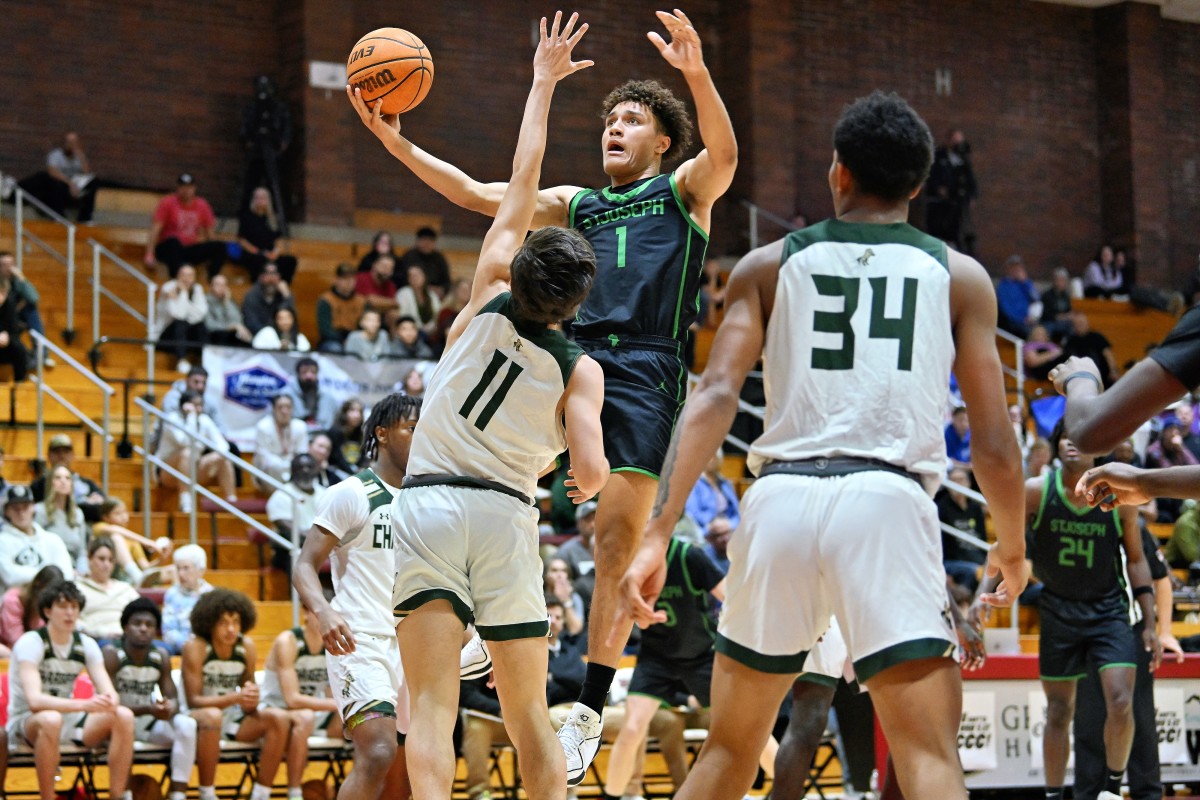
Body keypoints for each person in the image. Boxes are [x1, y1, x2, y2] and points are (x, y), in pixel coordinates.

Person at [350, 11, 737, 779]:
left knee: (614, 537)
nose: (616, 129)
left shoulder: (684, 190)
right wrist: (398, 145)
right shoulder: (578, 202)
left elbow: (724, 152)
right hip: (577, 356)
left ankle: (589, 706)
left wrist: (695, 72)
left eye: (633, 120)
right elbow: (479, 192)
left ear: (663, 140)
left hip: (646, 366)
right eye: (611, 120)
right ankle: (479, 620)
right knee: (504, 484)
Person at [617, 90, 1029, 800]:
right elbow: (992, 441)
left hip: (778, 502)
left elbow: (714, 397)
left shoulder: (766, 264)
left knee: (727, 753)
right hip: (887, 500)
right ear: (921, 185)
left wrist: (658, 531)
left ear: (838, 173)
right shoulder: (960, 277)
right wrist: (1013, 547)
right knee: (929, 758)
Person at [384, 17, 605, 800]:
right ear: (578, 301)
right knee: (529, 716)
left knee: (435, 708)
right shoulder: (581, 372)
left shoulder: (483, 295)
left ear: (518, 266)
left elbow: (521, 175)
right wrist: (585, 478)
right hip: (507, 516)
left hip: (431, 505)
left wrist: (541, 80)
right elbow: (589, 471)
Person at [977, 428, 1158, 800]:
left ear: (1100, 448)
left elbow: (1137, 560)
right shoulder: (1036, 491)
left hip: (1108, 610)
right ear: (1057, 444)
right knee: (1059, 711)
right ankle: (1054, 795)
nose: (1073, 443)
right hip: (1059, 609)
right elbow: (1003, 549)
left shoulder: (1119, 497)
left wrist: (1151, 622)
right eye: (1066, 436)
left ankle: (1111, 787)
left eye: (1085, 436)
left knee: (1121, 700)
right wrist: (984, 595)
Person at [293, 394, 436, 800]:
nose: (420, 436)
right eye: (411, 428)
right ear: (382, 434)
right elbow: (304, 565)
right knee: (377, 752)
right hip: (360, 642)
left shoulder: (427, 498)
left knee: (404, 773)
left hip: (412, 646)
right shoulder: (352, 493)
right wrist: (322, 611)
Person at [604, 536, 728, 798]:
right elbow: (624, 611)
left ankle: (787, 789)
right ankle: (611, 796)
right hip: (656, 657)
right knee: (632, 729)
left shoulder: (689, 556)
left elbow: (730, 597)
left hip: (701, 655)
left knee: (738, 728)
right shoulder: (631, 559)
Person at [6, 580, 135, 800]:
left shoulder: (86, 644)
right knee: (50, 719)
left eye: (74, 607)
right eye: (63, 607)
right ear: (47, 611)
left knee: (123, 715)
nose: (70, 613)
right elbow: (35, 701)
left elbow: (109, 692)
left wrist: (108, 700)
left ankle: (119, 795)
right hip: (26, 723)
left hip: (67, 719)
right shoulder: (31, 643)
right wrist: (85, 704)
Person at [1072, 527, 1176, 800]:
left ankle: (1147, 794)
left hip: (1132, 631)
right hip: (1086, 632)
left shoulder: (1132, 525)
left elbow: (1161, 579)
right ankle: (1091, 795)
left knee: (1140, 718)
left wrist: (1163, 631)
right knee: (1088, 719)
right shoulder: (1071, 524)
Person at [183, 588, 289, 800]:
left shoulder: (246, 647)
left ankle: (261, 793)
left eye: (236, 622)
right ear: (209, 623)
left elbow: (247, 700)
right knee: (213, 715)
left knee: (279, 718)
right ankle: (207, 793)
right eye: (223, 622)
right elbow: (193, 700)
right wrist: (234, 698)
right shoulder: (196, 647)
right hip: (198, 720)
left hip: (232, 718)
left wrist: (251, 698)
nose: (231, 629)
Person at [104, 597, 198, 800]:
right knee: (123, 720)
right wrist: (148, 708)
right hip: (115, 726)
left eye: (149, 625)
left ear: (156, 630)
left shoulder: (160, 656)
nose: (143, 629)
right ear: (125, 627)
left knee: (187, 724)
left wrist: (168, 707)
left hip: (147, 723)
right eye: (137, 624)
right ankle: (125, 794)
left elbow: (172, 697)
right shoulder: (112, 654)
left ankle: (178, 794)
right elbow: (109, 705)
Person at [258, 611, 341, 800]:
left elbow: (330, 692)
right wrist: (338, 704)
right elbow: (292, 699)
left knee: (360, 718)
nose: (327, 619)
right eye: (320, 613)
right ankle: (294, 794)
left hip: (310, 712)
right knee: (306, 716)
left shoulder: (331, 644)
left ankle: (353, 788)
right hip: (275, 710)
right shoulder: (288, 641)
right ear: (306, 614)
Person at [155, 389, 237, 513]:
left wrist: (217, 456)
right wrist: (191, 416)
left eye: (200, 405)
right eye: (195, 405)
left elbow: (223, 445)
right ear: (184, 405)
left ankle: (232, 502)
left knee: (223, 459)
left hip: (193, 468)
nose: (198, 409)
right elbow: (185, 442)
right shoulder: (172, 419)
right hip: (167, 471)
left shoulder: (204, 420)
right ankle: (185, 501)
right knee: (187, 453)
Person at [144, 174, 227, 279]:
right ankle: (176, 280)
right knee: (173, 242)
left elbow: (210, 234)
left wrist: (210, 252)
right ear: (178, 188)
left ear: (194, 188)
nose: (186, 190)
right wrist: (149, 254)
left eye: (189, 187)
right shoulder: (167, 202)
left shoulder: (202, 205)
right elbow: (155, 230)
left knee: (220, 246)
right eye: (183, 187)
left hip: (189, 248)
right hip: (168, 248)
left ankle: (213, 280)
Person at [240, 75, 293, 234]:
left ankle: (281, 227)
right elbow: (245, 131)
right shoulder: (252, 108)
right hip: (256, 154)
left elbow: (286, 133)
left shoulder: (279, 108)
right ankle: (244, 224)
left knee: (276, 188)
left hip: (273, 154)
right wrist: (249, 141)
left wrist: (280, 145)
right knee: (249, 188)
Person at [0, 486, 74, 592]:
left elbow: (66, 574)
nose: (21, 512)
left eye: (25, 507)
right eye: (15, 508)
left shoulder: (52, 539)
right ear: (7, 511)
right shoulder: (2, 541)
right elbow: (10, 577)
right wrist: (48, 575)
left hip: (51, 598)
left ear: (33, 508)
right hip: (17, 601)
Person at [17, 132, 98, 223]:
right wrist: (70, 184)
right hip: (62, 184)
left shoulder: (79, 156)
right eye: (69, 142)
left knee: (93, 184)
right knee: (54, 183)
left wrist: (80, 155)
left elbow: (86, 172)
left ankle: (85, 218)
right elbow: (52, 171)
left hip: (76, 185)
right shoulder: (56, 155)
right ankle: (58, 215)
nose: (71, 145)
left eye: (73, 142)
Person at [266, 454, 325, 572]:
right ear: (293, 471)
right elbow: (287, 528)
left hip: (323, 544)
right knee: (295, 551)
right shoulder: (282, 494)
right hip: (291, 548)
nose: (305, 470)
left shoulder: (325, 493)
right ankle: (296, 591)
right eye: (301, 467)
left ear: (316, 469)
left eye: (309, 467)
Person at [76, 537, 140, 642]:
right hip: (94, 639)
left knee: (162, 650)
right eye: (101, 559)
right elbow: (73, 620)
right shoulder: (78, 588)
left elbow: (142, 613)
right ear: (90, 560)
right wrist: (98, 633)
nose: (106, 565)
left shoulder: (125, 589)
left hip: (128, 639)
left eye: (111, 560)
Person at [925, 128, 978, 254]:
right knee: (938, 231)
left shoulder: (963, 159)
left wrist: (972, 196)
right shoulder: (938, 157)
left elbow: (970, 179)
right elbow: (930, 176)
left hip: (957, 205)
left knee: (956, 232)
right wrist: (939, 189)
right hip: (939, 205)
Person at [936, 466, 989, 593]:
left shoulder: (975, 507)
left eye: (961, 480)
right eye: (954, 480)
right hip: (954, 561)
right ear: (948, 485)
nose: (958, 484)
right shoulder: (941, 507)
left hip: (977, 559)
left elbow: (983, 538)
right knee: (974, 572)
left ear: (968, 483)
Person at [153, 264, 209, 373]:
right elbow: (178, 314)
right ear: (178, 276)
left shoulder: (197, 289)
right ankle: (182, 360)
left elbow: (201, 314)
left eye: (190, 275)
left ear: (194, 278)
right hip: (166, 337)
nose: (186, 278)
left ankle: (205, 361)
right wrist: (183, 292)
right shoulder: (169, 287)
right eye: (184, 275)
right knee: (180, 323)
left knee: (201, 326)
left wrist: (185, 301)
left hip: (187, 336)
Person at [0, 249, 52, 366]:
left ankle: (41, 352)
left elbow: (34, 298)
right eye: (4, 265)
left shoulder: (16, 282)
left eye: (11, 265)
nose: (8, 268)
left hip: (12, 321)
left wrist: (22, 278)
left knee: (30, 308)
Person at [34, 465, 89, 573]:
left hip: (74, 570)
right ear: (51, 483)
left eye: (67, 478)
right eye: (58, 478)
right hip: (49, 569)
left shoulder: (78, 514)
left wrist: (82, 571)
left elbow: (82, 551)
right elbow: (35, 545)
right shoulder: (39, 511)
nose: (63, 481)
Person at [161, 544, 214, 654]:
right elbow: (169, 631)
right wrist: (190, 646)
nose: (180, 574)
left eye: (186, 568)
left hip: (207, 649)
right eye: (178, 568)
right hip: (179, 650)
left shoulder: (212, 595)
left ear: (201, 570)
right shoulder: (172, 594)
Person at [236, 188, 297, 283]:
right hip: (253, 253)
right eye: (258, 198)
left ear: (268, 200)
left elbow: (279, 239)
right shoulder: (247, 217)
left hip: (270, 254)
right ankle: (258, 286)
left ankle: (282, 287)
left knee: (290, 261)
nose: (260, 200)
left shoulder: (272, 218)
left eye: (263, 198)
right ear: (253, 200)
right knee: (259, 261)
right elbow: (242, 240)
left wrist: (276, 252)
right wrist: (259, 252)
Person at [0, 565, 63, 649]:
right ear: (38, 585)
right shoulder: (12, 600)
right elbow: (16, 640)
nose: (50, 598)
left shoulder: (47, 605)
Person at [254, 394, 309, 487]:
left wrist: (291, 465)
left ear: (292, 409)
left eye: (288, 407)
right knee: (270, 466)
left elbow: (302, 452)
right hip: (270, 471)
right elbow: (263, 457)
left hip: (293, 469)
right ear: (274, 409)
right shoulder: (263, 426)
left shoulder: (300, 426)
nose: (284, 411)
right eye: (280, 407)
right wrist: (287, 465)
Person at [317, 264, 367, 353]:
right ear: (336, 280)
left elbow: (364, 325)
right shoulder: (326, 300)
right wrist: (342, 340)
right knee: (335, 348)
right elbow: (325, 329)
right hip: (332, 340)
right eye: (344, 278)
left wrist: (353, 339)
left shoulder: (361, 301)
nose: (349, 282)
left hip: (356, 339)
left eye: (352, 279)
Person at [241, 261, 295, 335]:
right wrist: (270, 335)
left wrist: (287, 296)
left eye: (274, 274)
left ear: (279, 277)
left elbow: (291, 320)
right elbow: (251, 323)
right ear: (261, 277)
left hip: (280, 338)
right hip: (258, 338)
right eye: (267, 273)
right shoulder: (252, 295)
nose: (271, 278)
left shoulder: (283, 295)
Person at [286, 357, 339, 432]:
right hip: (294, 435)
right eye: (304, 372)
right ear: (297, 374)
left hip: (322, 437)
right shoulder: (285, 395)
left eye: (312, 372)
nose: (309, 376)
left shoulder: (328, 397)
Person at [398, 226, 452, 296]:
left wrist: (442, 289)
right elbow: (402, 278)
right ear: (417, 241)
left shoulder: (439, 259)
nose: (427, 244)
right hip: (412, 293)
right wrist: (423, 288)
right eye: (424, 240)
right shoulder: (409, 256)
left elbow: (446, 281)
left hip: (435, 295)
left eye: (430, 241)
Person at [995, 254, 1039, 339]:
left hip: (1026, 320)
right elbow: (1005, 307)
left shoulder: (1025, 283)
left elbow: (1036, 297)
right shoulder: (1003, 285)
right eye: (1014, 267)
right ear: (1009, 269)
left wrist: (1025, 282)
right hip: (1011, 321)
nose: (1016, 270)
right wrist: (1019, 319)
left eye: (1018, 268)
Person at [205, 273, 253, 347]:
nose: (221, 287)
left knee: (245, 338)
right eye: (218, 284)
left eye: (224, 285)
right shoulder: (206, 301)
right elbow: (210, 325)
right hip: (214, 336)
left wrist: (226, 303)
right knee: (224, 335)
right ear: (211, 286)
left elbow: (238, 320)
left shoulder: (229, 301)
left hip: (230, 336)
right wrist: (230, 327)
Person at [0, 263, 30, 382]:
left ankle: (20, 383)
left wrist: (7, 337)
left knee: (19, 348)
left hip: (4, 348)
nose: (0, 297)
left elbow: (14, 330)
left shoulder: (9, 304)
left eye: (3, 294)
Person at [395, 264, 442, 338]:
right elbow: (403, 316)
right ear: (408, 279)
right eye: (412, 275)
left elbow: (438, 315)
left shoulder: (432, 295)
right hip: (412, 331)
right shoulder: (403, 293)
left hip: (432, 331)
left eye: (418, 274)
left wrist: (432, 328)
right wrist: (419, 328)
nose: (415, 277)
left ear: (424, 276)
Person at [327, 398, 367, 477]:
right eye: (352, 410)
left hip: (355, 472)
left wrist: (362, 468)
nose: (357, 415)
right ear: (344, 413)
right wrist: (354, 473)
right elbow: (337, 459)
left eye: (360, 411)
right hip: (336, 471)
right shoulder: (334, 432)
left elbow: (363, 457)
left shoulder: (361, 433)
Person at [1041, 267, 1074, 340]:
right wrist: (1059, 316)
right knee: (1048, 327)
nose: (1064, 283)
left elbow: (1069, 311)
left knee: (1072, 325)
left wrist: (1068, 316)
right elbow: (1045, 314)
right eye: (1062, 280)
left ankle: (1068, 344)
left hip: (1063, 322)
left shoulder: (1065, 296)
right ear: (1055, 281)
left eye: (1065, 280)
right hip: (1049, 321)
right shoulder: (1047, 295)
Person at [944, 406, 971, 470]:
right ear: (953, 419)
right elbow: (947, 461)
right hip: (953, 469)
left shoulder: (971, 434)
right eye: (960, 420)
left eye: (966, 420)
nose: (963, 423)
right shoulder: (946, 436)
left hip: (970, 469)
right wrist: (966, 467)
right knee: (958, 476)